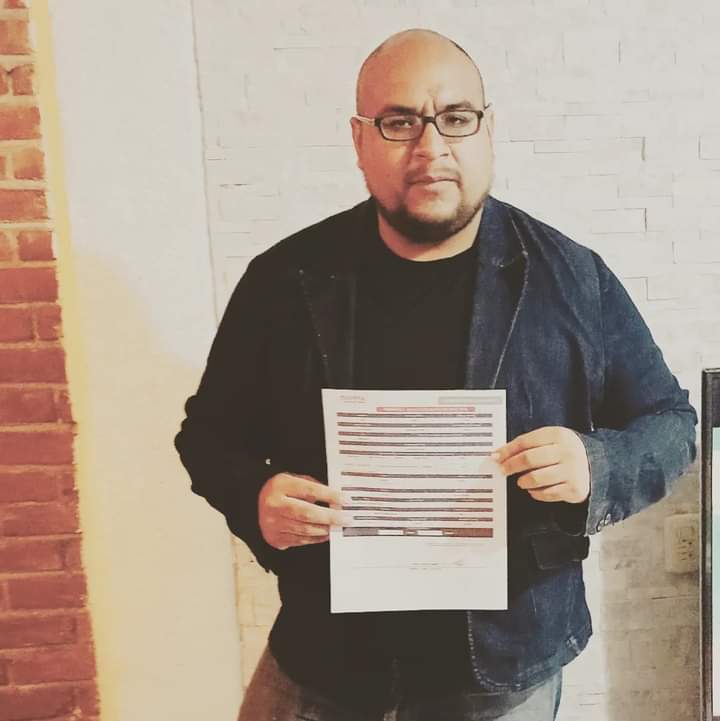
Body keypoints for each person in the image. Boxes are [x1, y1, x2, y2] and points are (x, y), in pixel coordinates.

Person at [175, 28, 697, 721]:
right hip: (323, 660)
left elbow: (672, 425)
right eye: (399, 122)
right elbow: (208, 435)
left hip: (502, 674)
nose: (431, 147)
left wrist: (595, 465)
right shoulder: (287, 281)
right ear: (359, 140)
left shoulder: (572, 279)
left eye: (455, 118)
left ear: (488, 130)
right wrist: (256, 497)